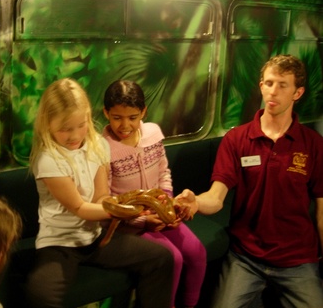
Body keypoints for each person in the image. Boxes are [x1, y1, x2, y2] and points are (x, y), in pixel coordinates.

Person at [176, 54, 323, 308]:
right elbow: (216, 197)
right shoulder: (237, 140)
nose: (273, 91)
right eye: (268, 83)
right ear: (261, 86)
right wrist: (195, 203)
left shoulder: (313, 144)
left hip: (297, 258)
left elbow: (322, 208)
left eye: (282, 85)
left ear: (297, 93)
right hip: (246, 257)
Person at [25, 78, 174, 308]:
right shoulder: (48, 159)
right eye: (65, 129)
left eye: (81, 125)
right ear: (47, 124)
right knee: (40, 293)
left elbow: (100, 197)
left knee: (162, 258)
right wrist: (126, 210)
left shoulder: (97, 145)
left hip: (96, 238)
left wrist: (123, 204)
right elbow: (80, 208)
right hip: (60, 244)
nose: (75, 135)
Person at [102, 80, 206, 308]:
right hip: (128, 225)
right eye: (117, 117)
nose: (125, 125)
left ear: (143, 112)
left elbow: (163, 171)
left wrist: (166, 200)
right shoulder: (102, 148)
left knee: (197, 252)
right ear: (106, 113)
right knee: (173, 259)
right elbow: (107, 200)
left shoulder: (153, 133)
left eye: (133, 117)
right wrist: (142, 220)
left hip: (161, 213)